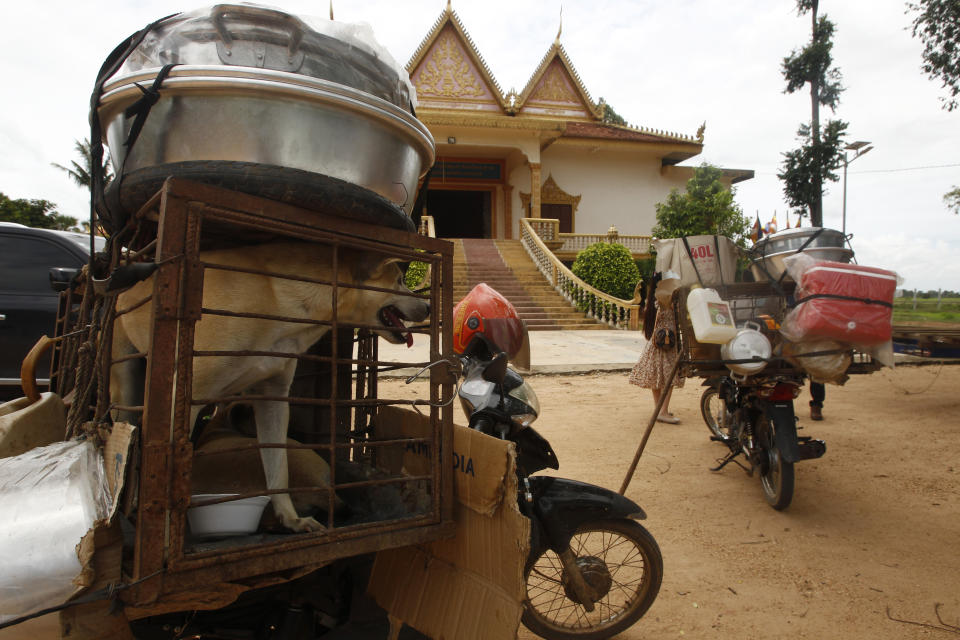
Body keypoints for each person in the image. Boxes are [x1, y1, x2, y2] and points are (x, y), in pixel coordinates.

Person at [629, 273, 684, 423]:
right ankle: (663, 411)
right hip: (668, 344)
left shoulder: (653, 300)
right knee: (669, 378)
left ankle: (659, 409)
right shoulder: (666, 300)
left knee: (657, 377)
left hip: (656, 343)